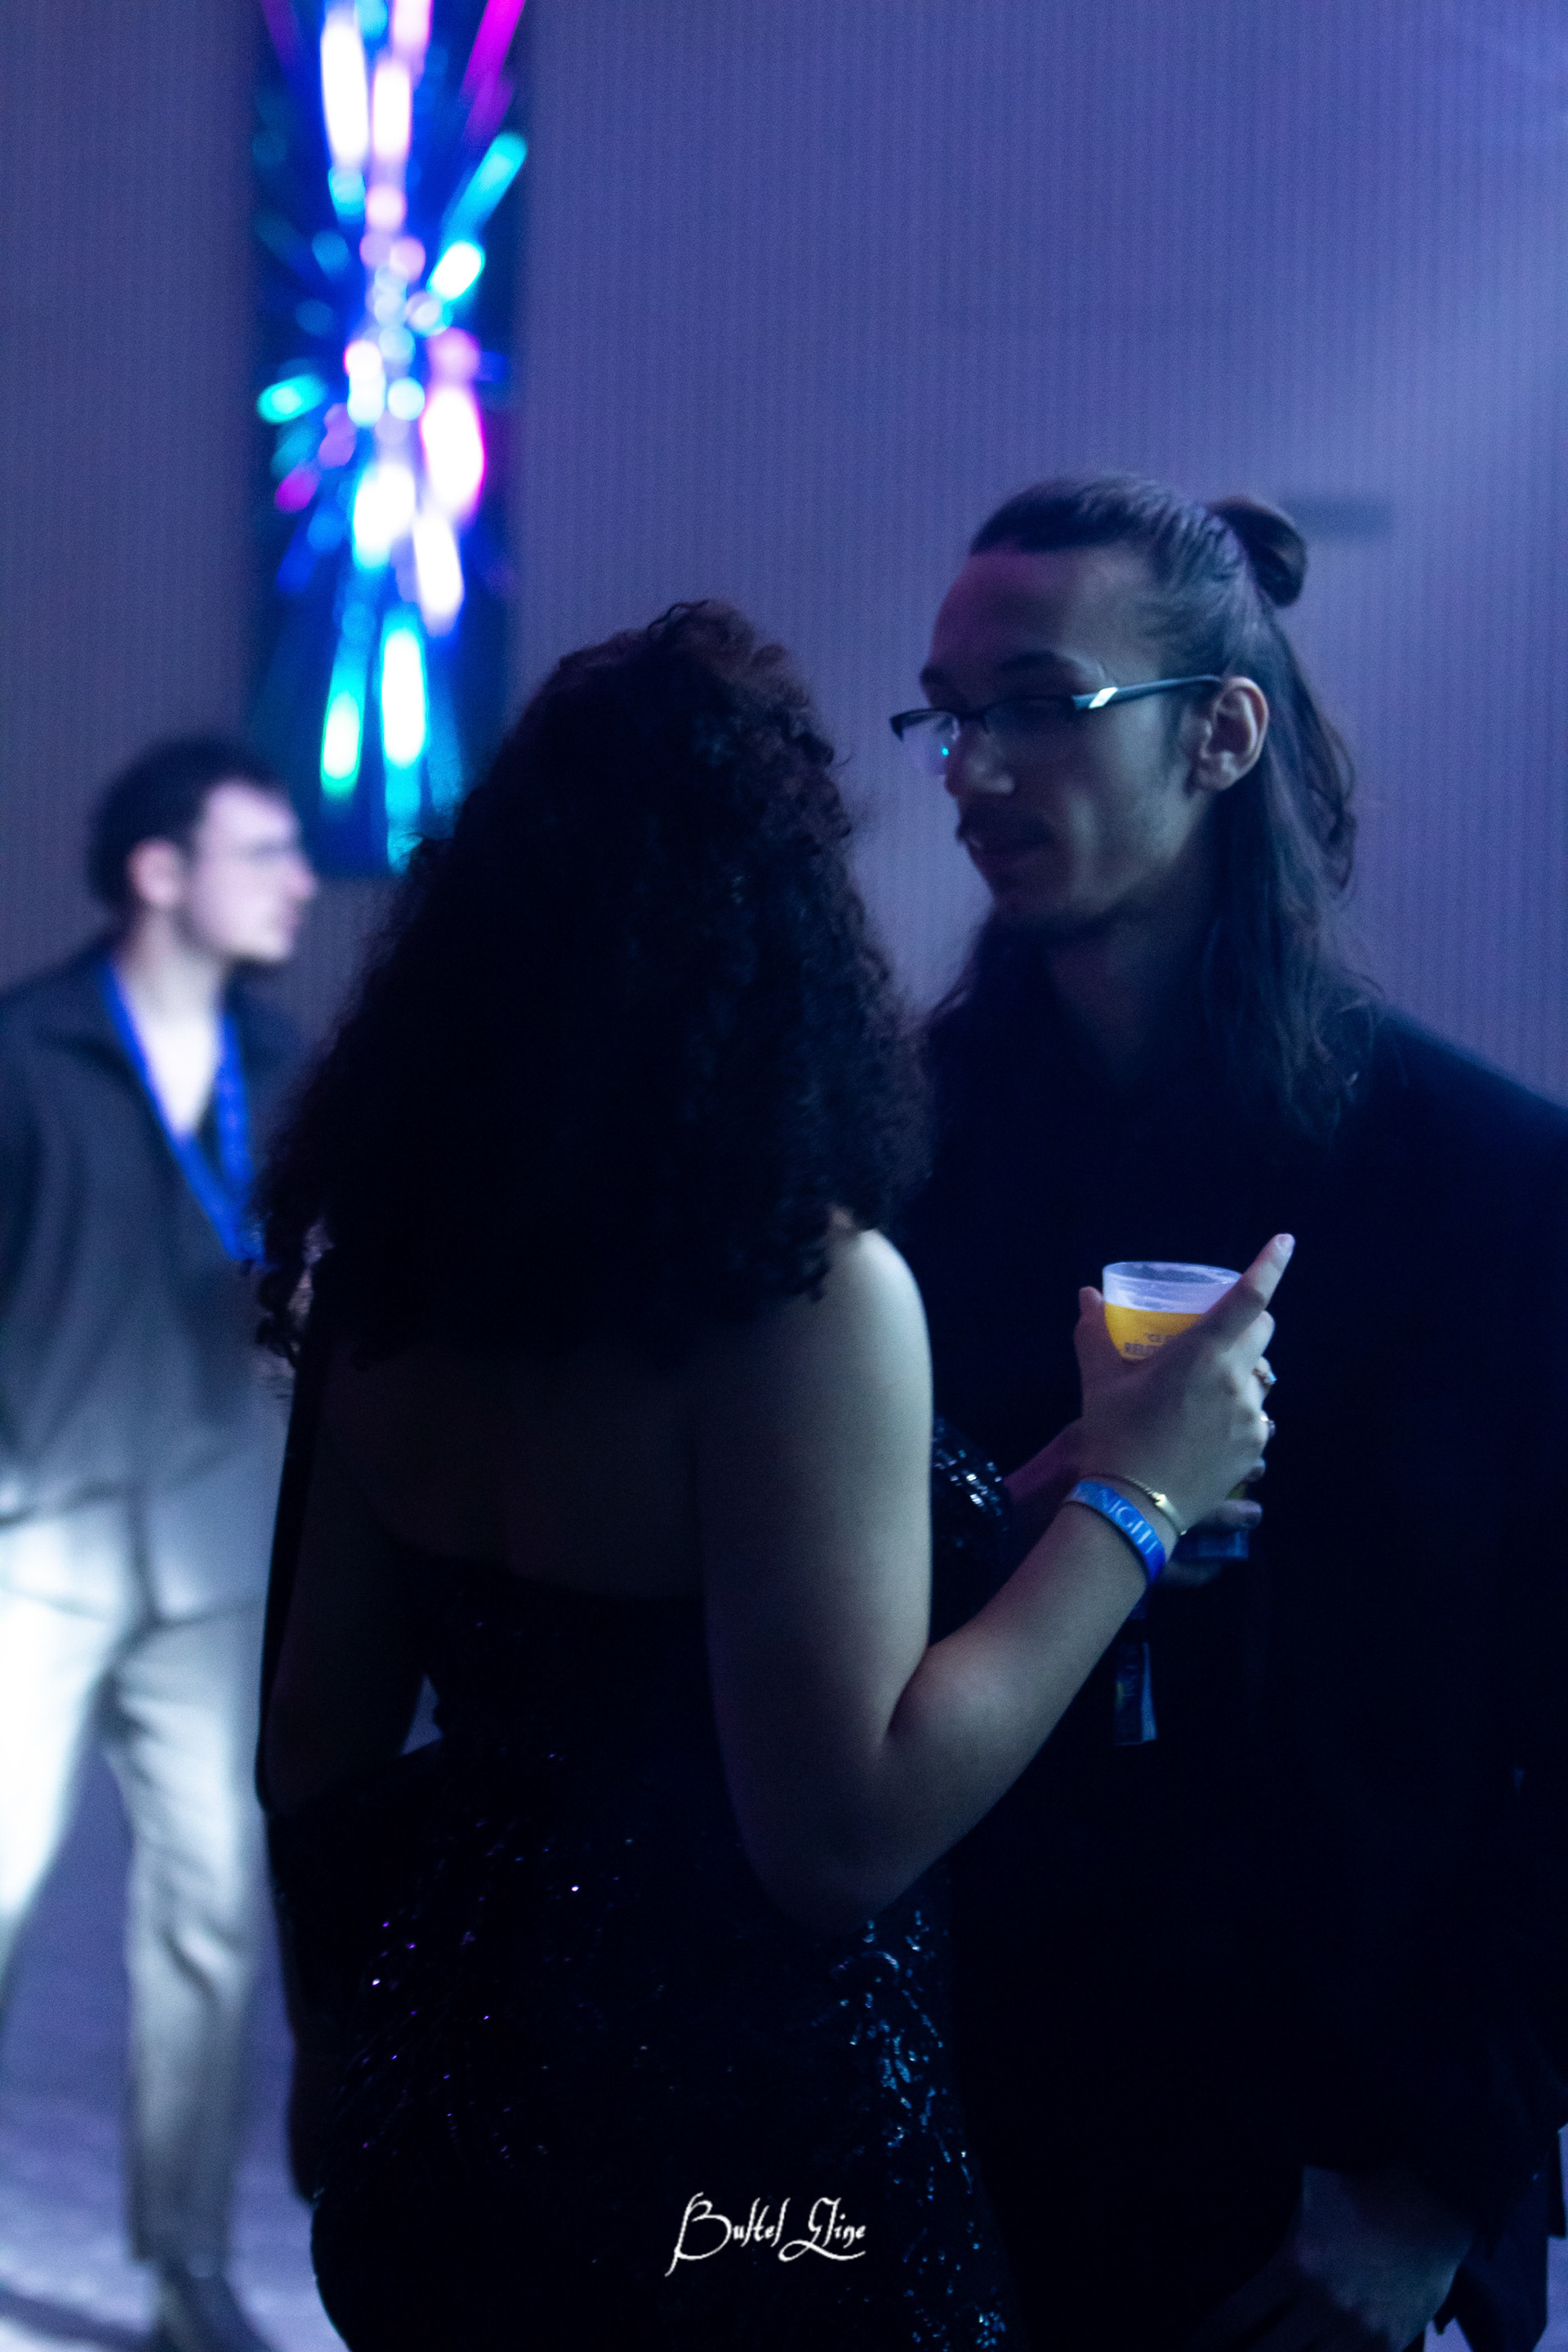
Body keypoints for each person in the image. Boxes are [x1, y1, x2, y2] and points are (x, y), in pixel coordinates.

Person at [253, 602, 1285, 2349]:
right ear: (788, 929)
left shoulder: (394, 1283)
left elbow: (312, 1749)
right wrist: (1142, 1500)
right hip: (744, 2188)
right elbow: (838, 1837)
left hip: (456, 2116)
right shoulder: (795, 1296)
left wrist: (337, 2052)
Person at [894, 474, 1568, 2352]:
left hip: (1333, 2177)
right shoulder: (895, 1166)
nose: (974, 770)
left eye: (1043, 705)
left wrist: (1446, 2172)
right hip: (962, 2130)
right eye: (951, 716)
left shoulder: (1483, 1187)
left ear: (1221, 735)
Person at [0, 737, 317, 2352]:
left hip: (212, 1557)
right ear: (158, 871)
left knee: (210, 1920)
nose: (299, 882)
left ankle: (185, 2265)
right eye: (264, 852)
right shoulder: (24, 1052)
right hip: (35, 1544)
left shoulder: (285, 1062)